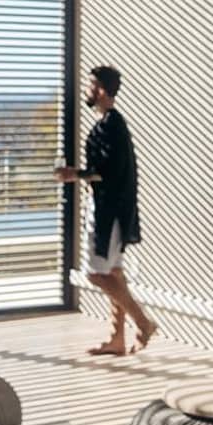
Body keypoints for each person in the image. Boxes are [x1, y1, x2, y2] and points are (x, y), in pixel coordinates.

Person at [56, 65, 159, 355]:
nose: (87, 90)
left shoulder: (110, 126)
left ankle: (144, 323)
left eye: (90, 85)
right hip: (107, 206)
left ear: (100, 89)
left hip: (108, 211)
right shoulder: (111, 123)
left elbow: (106, 173)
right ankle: (117, 338)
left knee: (95, 274)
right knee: (114, 272)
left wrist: (73, 174)